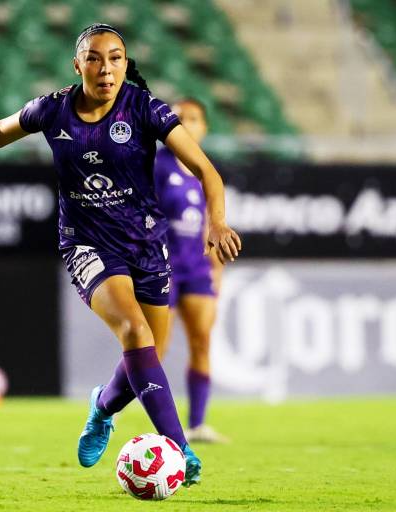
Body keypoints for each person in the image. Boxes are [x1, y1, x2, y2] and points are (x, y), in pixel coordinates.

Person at [0, 23, 241, 487]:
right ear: (78, 64)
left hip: (147, 243)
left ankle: (101, 408)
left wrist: (217, 221)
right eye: (94, 58)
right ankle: (179, 448)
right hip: (86, 244)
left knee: (150, 354)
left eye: (115, 58)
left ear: (126, 65)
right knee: (134, 330)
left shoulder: (145, 108)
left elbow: (206, 169)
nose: (105, 67)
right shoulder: (53, 109)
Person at [153, 99, 227, 443]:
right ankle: (127, 409)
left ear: (204, 128)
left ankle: (196, 424)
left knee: (202, 342)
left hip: (196, 269)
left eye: (193, 118)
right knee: (154, 349)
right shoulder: (156, 164)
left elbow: (210, 227)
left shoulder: (204, 172)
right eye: (179, 118)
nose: (186, 123)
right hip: (162, 267)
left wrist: (216, 272)